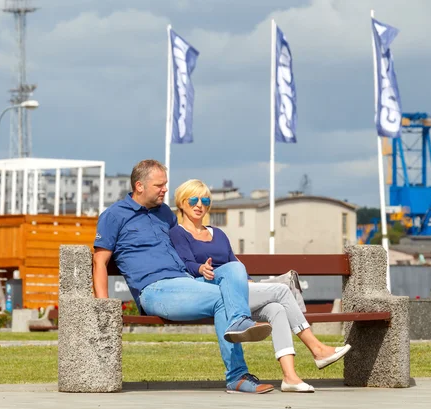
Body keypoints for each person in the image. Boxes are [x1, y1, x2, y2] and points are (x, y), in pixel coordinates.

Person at [92, 159, 275, 394]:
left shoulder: (165, 214)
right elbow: (100, 262)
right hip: (155, 290)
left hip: (187, 283)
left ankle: (239, 323)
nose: (165, 189)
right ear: (139, 186)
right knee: (222, 298)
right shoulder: (114, 215)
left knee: (234, 269)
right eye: (159, 185)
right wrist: (103, 307)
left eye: (165, 184)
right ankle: (237, 375)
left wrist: (202, 265)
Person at [169, 179, 352, 393]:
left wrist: (245, 278)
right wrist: (201, 268)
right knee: (282, 290)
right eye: (193, 199)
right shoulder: (178, 232)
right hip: (210, 290)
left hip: (236, 290)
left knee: (276, 309)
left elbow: (233, 261)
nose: (200, 204)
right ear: (181, 203)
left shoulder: (217, 233)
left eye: (205, 200)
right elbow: (185, 263)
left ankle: (290, 377)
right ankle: (317, 348)